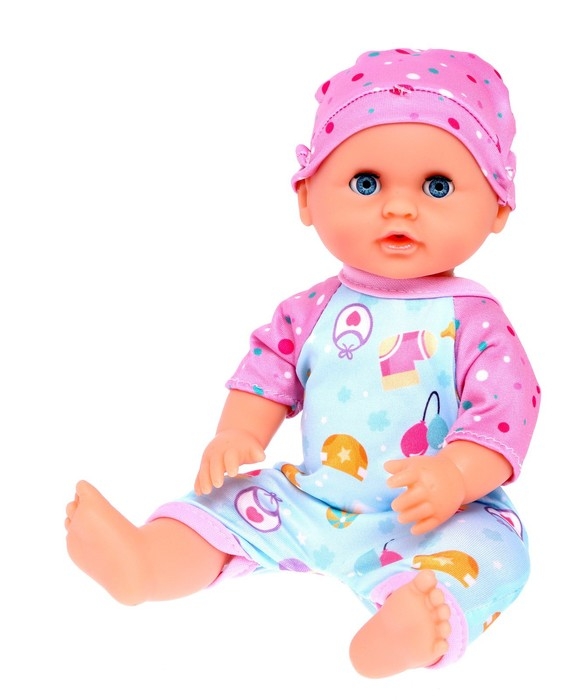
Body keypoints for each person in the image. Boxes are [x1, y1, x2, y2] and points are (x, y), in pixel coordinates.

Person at [65, 47, 540, 678]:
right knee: (228, 499)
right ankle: (149, 561)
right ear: (307, 196)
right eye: (366, 184)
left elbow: (505, 414)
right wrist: (237, 434)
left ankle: (417, 622)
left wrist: (455, 475)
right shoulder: (310, 309)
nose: (400, 208)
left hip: (436, 517)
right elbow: (266, 374)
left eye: (437, 186)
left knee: (496, 552)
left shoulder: (475, 321)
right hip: (314, 500)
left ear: (499, 206)